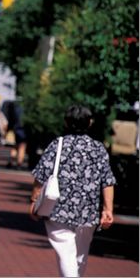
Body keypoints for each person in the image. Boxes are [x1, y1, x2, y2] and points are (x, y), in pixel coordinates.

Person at [29, 105, 116, 277]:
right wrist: (108, 209)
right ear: (90, 123)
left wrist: (33, 200)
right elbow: (107, 182)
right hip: (88, 213)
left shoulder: (57, 145)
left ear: (66, 122)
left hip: (57, 210)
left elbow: (41, 176)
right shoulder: (98, 148)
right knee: (79, 257)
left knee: (66, 255)